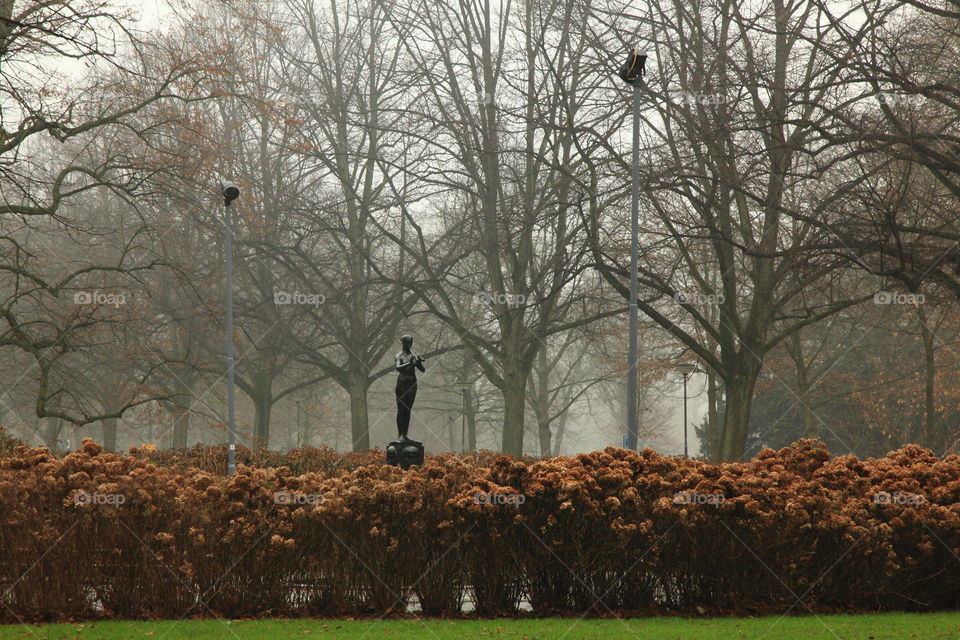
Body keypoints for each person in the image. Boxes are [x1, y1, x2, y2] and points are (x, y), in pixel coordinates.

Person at [394, 335, 425, 440]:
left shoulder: (413, 356)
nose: (409, 345)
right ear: (403, 343)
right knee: (401, 409)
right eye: (407, 343)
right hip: (402, 385)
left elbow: (422, 370)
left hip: (412, 385)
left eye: (410, 343)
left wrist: (419, 362)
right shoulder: (399, 356)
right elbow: (398, 367)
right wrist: (409, 363)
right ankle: (400, 435)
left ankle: (405, 434)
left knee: (408, 410)